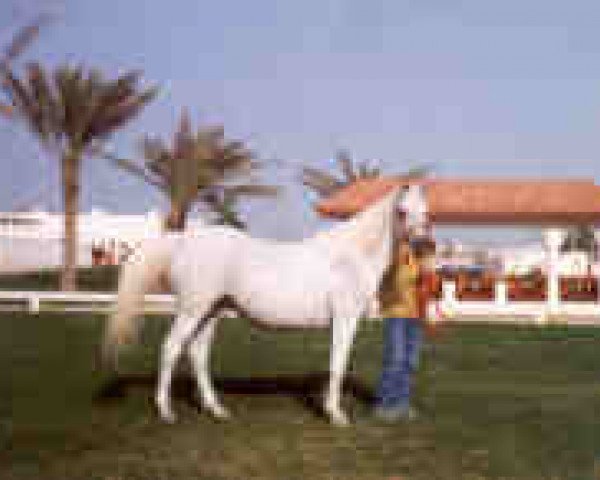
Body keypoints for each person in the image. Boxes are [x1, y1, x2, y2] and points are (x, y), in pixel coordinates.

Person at [373, 234, 437, 422]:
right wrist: (420, 271)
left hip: (415, 317)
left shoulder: (423, 269)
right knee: (395, 359)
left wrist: (429, 279)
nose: (432, 260)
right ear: (421, 254)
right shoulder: (403, 260)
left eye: (433, 257)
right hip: (397, 316)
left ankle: (402, 403)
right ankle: (384, 405)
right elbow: (399, 282)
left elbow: (428, 292)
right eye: (430, 257)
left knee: (411, 362)